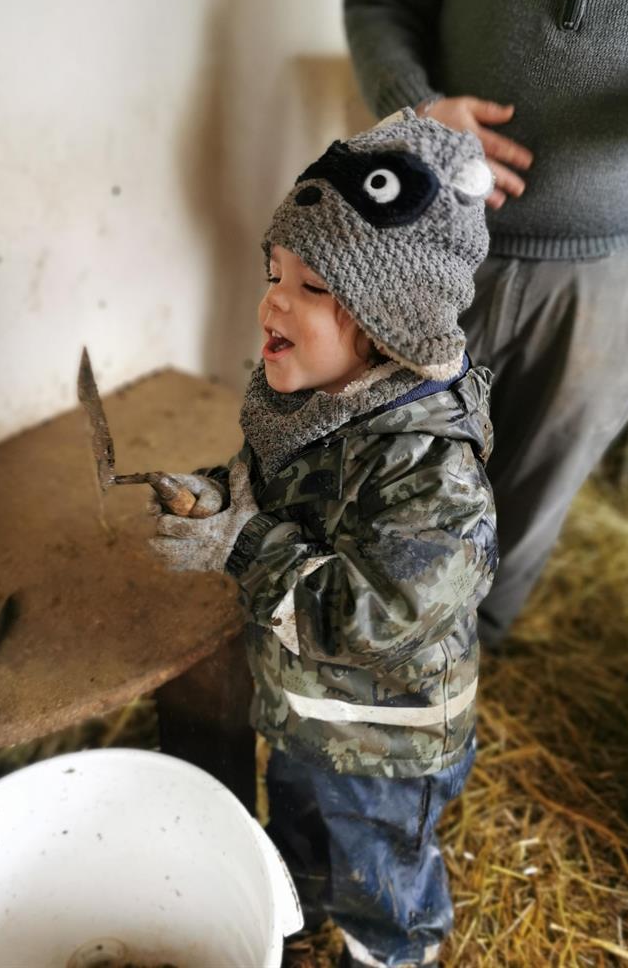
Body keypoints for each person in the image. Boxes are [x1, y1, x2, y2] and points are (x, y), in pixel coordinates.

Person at [149, 110, 498, 967]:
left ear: (390, 323)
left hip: (387, 745)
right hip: (305, 712)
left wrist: (241, 543)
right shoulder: (310, 405)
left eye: (313, 288)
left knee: (380, 877)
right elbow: (268, 487)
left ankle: (388, 953)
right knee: (296, 827)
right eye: (275, 272)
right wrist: (218, 495)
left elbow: (368, 620)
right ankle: (291, 912)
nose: (272, 298)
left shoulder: (433, 475)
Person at [344, 0, 628, 647]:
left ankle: (462, 665)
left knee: (530, 492)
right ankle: (343, 650)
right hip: (434, 233)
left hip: (618, 267)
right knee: (378, 460)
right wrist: (415, 105)